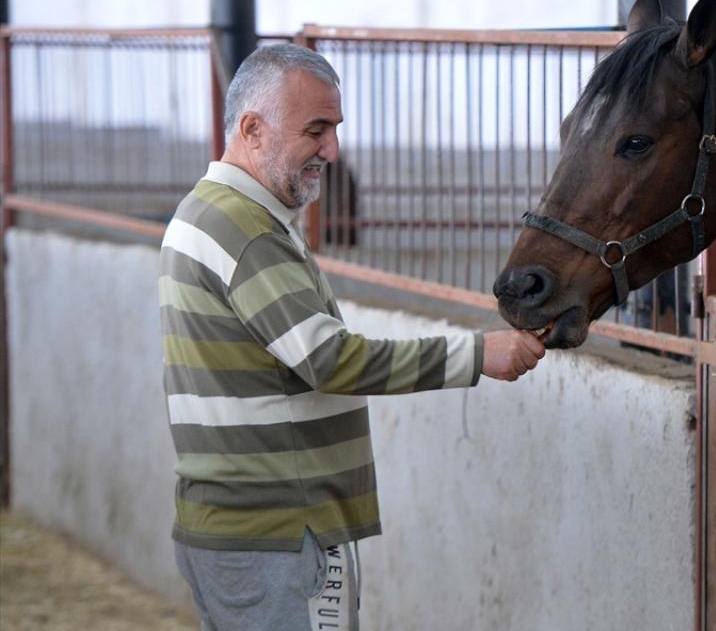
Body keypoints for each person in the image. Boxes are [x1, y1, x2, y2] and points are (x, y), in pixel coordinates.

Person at [159, 43, 545, 630]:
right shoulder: (246, 230)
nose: (332, 151)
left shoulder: (207, 211)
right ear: (253, 129)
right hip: (277, 533)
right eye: (316, 130)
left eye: (334, 129)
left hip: (247, 530)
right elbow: (328, 360)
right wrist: (477, 354)